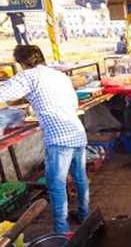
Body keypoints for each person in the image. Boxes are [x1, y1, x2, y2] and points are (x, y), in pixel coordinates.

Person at [0, 45, 89, 234]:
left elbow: (3, 93)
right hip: (76, 131)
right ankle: (84, 215)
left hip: (58, 138)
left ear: (22, 63)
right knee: (80, 178)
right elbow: (73, 103)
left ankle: (61, 231)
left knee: (57, 185)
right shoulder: (59, 76)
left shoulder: (29, 75)